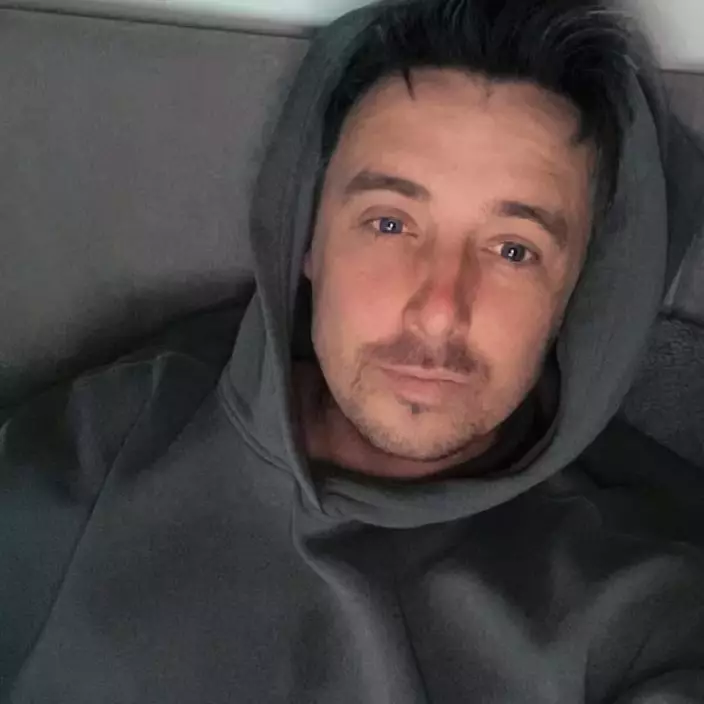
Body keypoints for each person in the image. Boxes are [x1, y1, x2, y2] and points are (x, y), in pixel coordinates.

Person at [2, 0, 704, 701]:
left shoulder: (642, 601)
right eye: (390, 223)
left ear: (577, 291)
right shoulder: (105, 445)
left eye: (513, 250)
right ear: (307, 238)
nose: (439, 309)